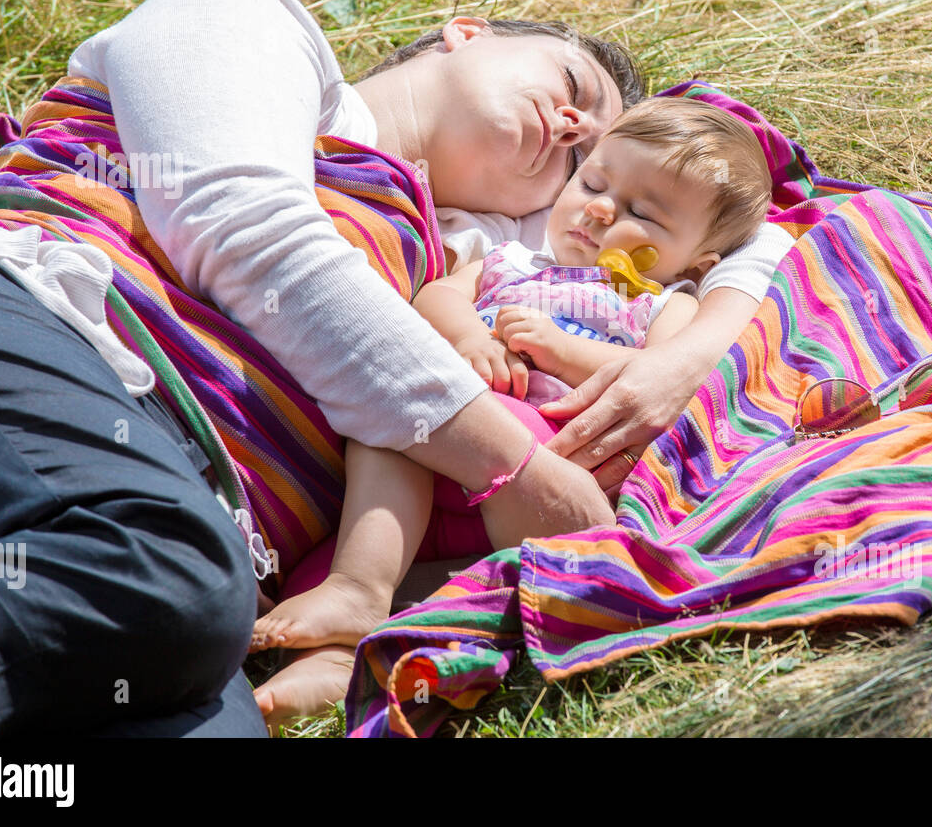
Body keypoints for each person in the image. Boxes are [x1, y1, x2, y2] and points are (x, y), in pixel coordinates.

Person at [0, 0, 788, 735]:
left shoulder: (451, 255)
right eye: (571, 86)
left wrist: (687, 351)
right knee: (159, 572)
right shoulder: (248, 19)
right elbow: (240, 222)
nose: (569, 127)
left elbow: (761, 224)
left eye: (582, 156)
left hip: (182, 567)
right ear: (467, 33)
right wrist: (512, 466)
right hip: (27, 331)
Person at [249, 97, 774, 656]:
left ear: (696, 262)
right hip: (432, 471)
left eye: (642, 214)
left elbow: (651, 378)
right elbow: (437, 295)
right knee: (341, 523)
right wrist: (471, 338)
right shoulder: (511, 260)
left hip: (547, 460)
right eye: (593, 184)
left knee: (414, 418)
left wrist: (560, 350)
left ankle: (365, 592)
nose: (599, 210)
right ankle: (335, 650)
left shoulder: (666, 304)